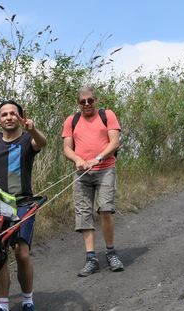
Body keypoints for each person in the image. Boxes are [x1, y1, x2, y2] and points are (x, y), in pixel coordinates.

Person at [0, 100, 47, 311]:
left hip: (23, 203)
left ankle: (28, 302)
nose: (8, 117)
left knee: (22, 253)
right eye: (4, 114)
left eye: (13, 113)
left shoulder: (27, 139)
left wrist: (33, 129)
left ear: (19, 117)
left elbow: (41, 143)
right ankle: (3, 308)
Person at [61, 86, 125, 277]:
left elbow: (114, 142)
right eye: (83, 101)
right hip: (82, 173)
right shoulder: (71, 121)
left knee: (105, 209)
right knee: (83, 214)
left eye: (90, 100)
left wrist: (97, 158)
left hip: (105, 169)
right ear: (78, 103)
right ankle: (91, 258)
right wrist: (78, 160)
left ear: (96, 100)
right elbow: (67, 147)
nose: (87, 104)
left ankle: (111, 252)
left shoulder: (108, 115)